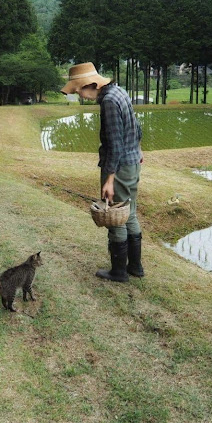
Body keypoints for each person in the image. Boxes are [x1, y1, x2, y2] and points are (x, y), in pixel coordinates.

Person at [61, 62, 144, 282]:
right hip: (131, 163)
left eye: (79, 88)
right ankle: (135, 267)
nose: (78, 93)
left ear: (92, 84)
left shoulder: (108, 101)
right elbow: (136, 126)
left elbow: (115, 144)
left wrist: (109, 179)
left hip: (119, 168)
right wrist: (138, 149)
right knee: (130, 213)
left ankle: (119, 272)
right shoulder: (120, 91)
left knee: (114, 216)